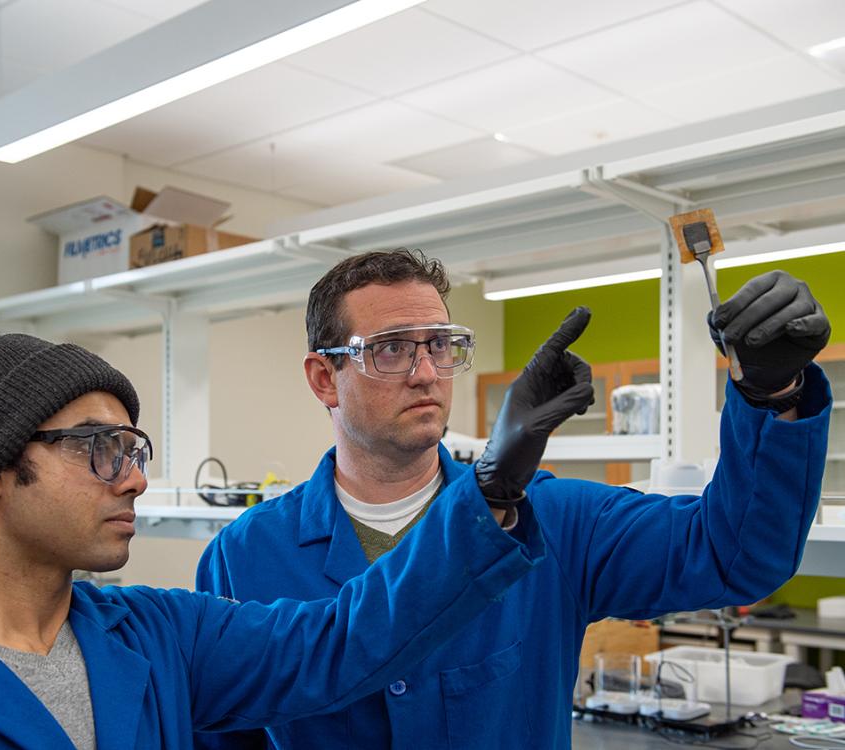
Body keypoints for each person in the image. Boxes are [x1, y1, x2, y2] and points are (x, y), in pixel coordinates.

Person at [195, 250, 833, 750]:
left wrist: (772, 396)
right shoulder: (243, 557)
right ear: (322, 378)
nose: (424, 372)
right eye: (390, 349)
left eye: (439, 345)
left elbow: (736, 557)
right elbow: (222, 735)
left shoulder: (550, 520)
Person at [0, 327, 591, 749]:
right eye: (101, 447)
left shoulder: (162, 635)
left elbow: (348, 637)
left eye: (132, 451)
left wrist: (489, 490)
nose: (133, 479)